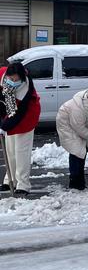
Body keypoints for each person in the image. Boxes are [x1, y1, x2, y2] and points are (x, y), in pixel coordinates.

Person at [0, 62, 41, 196]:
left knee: (21, 152)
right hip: (9, 115)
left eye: (16, 79)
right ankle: (10, 180)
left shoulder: (25, 87)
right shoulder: (2, 74)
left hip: (26, 117)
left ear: (22, 77)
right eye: (11, 79)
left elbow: (19, 112)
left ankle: (23, 184)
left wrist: (5, 126)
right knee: (10, 150)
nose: (13, 82)